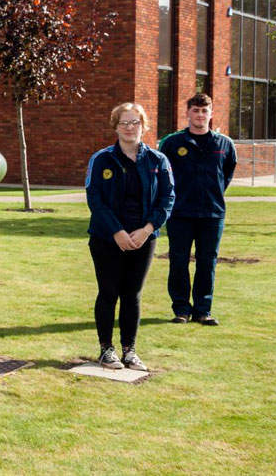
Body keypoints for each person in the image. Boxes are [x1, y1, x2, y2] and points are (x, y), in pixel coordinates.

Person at [84, 103, 174, 372]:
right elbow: (95, 199)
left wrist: (147, 229)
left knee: (132, 295)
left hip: (144, 239)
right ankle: (106, 350)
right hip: (106, 238)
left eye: (135, 122)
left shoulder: (158, 161)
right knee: (109, 292)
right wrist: (117, 232)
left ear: (143, 126)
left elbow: (167, 198)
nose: (129, 128)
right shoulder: (102, 159)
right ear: (115, 126)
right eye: (123, 123)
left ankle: (129, 350)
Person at [159, 93, 237, 326]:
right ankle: (181, 309)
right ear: (187, 113)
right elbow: (164, 175)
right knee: (179, 261)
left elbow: (227, 173)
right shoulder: (172, 143)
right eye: (196, 110)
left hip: (212, 214)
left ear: (211, 114)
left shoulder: (224, 144)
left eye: (205, 111)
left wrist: (212, 192)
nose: (200, 115)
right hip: (180, 213)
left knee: (207, 262)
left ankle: (203, 310)